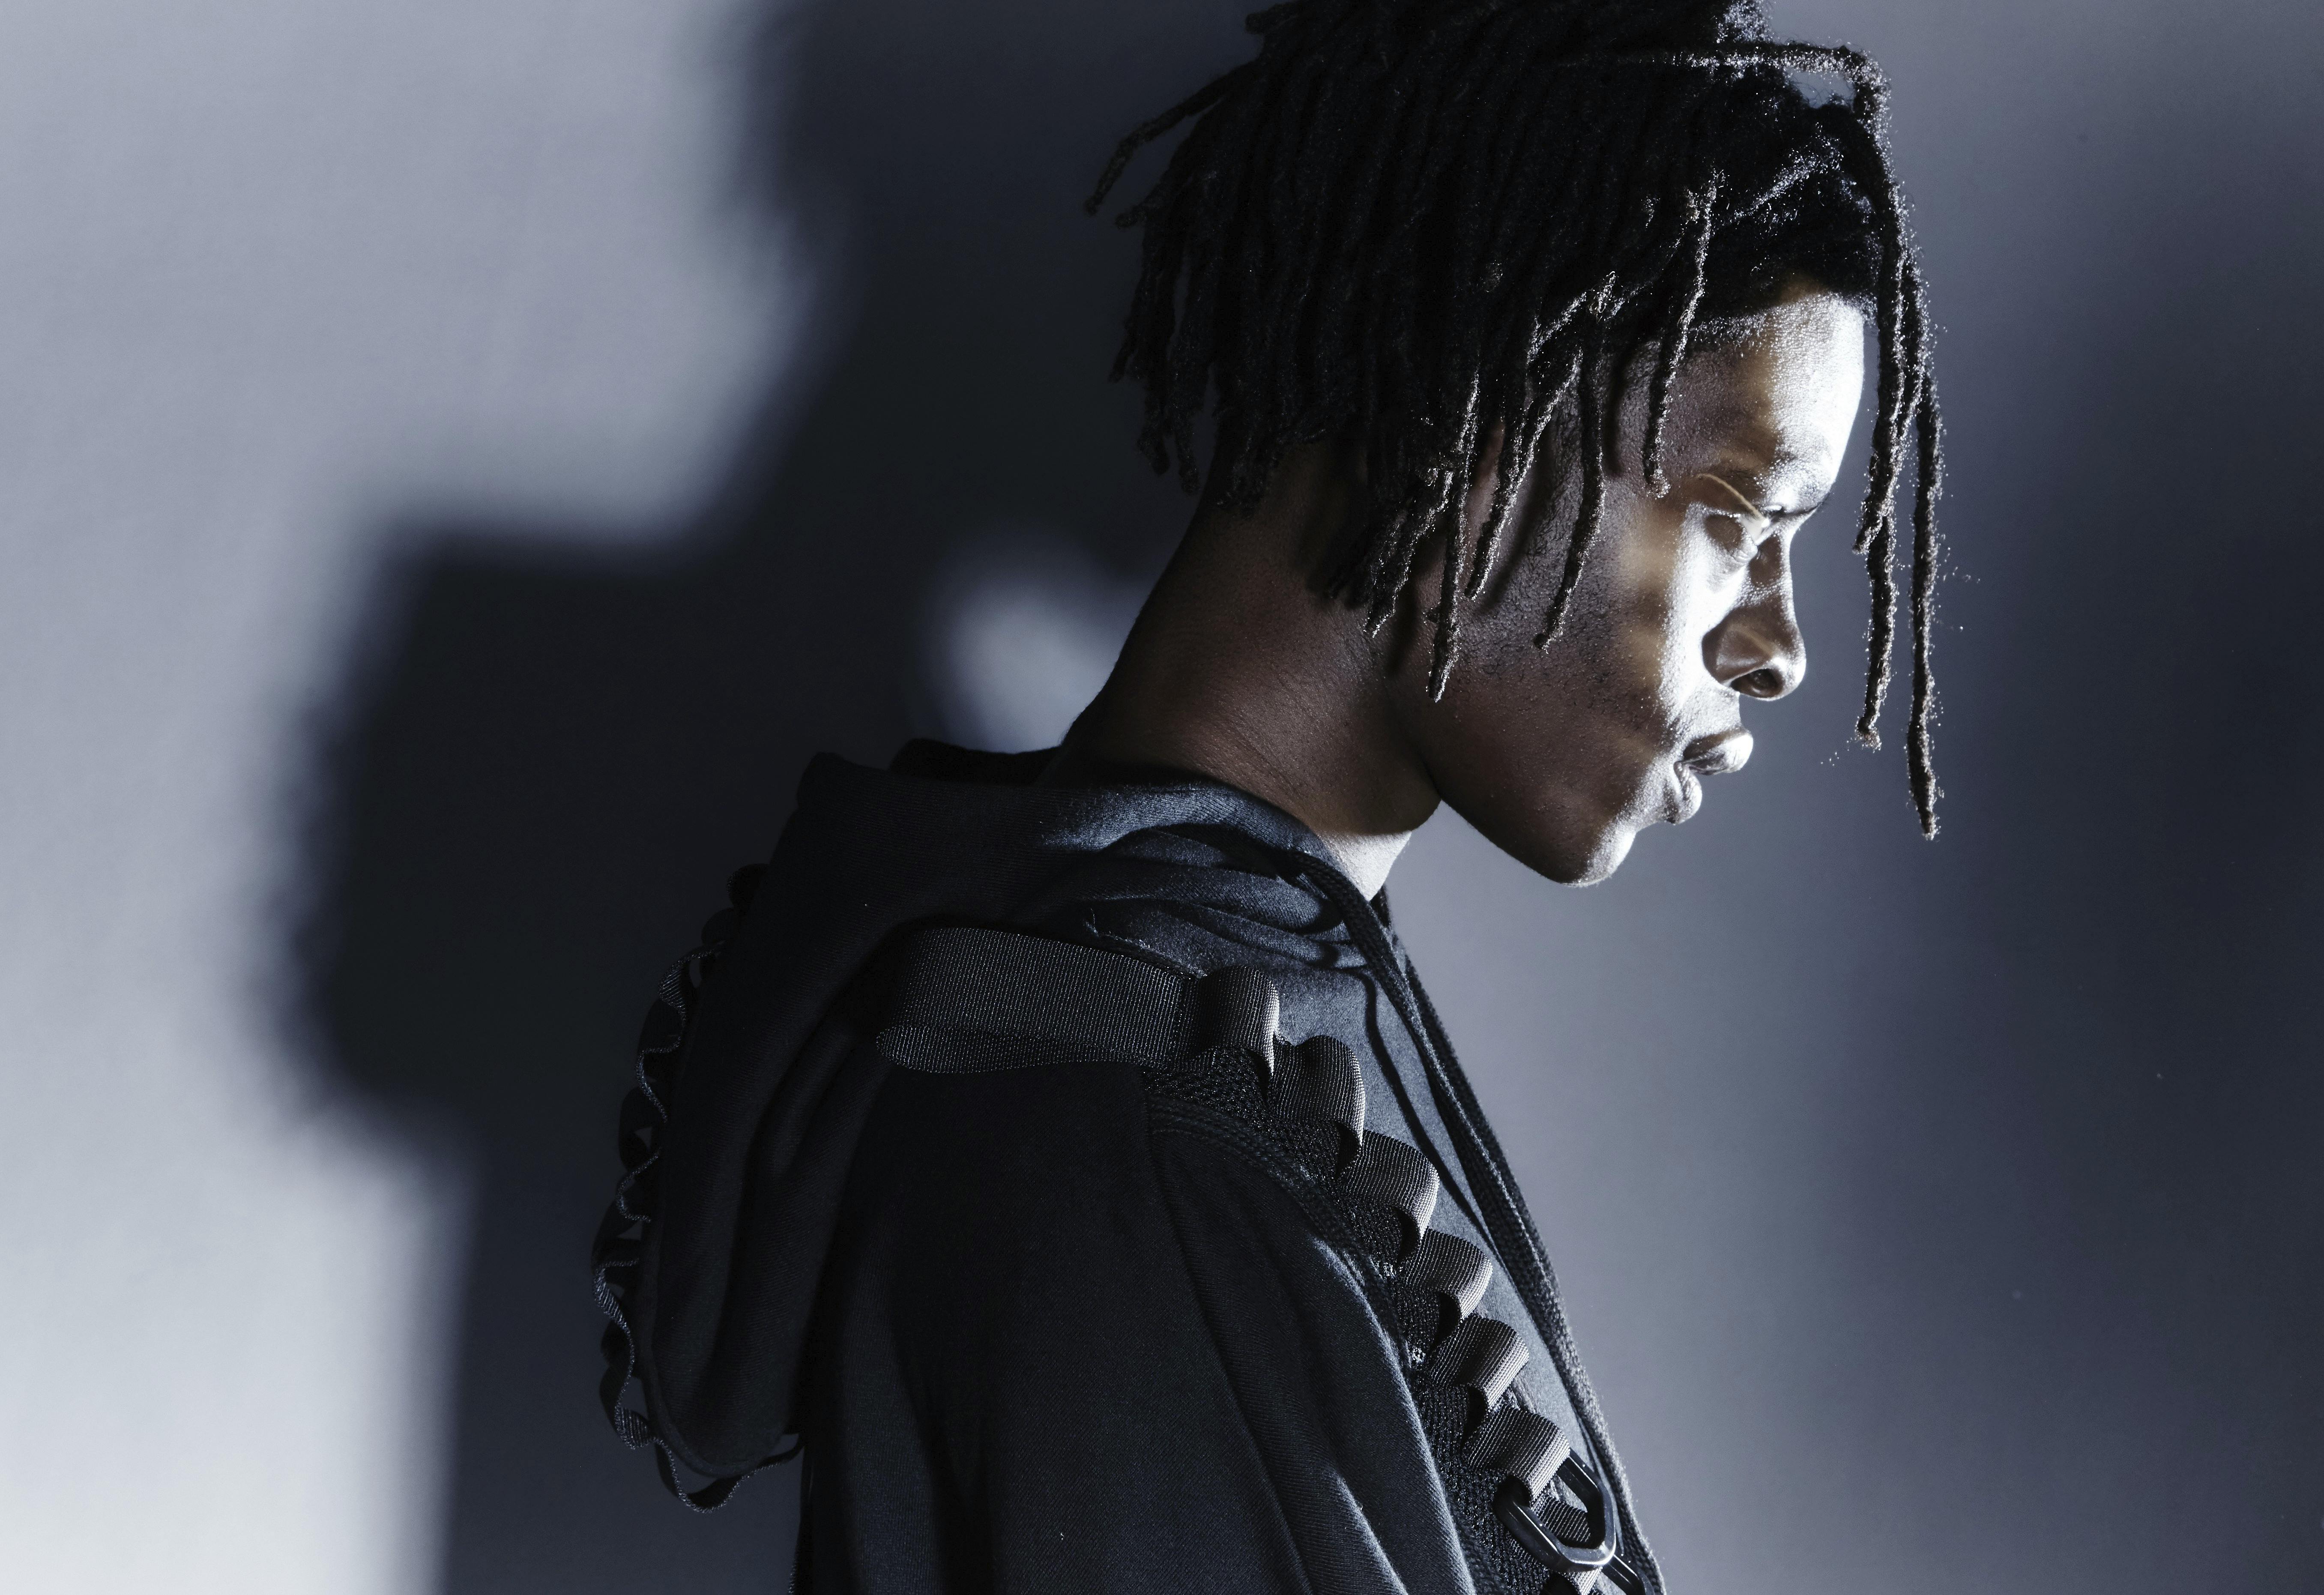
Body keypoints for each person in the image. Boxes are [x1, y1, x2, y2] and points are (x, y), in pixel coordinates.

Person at [593, 2, 1944, 1590]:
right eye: (1739, 512)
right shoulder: (1133, 1148)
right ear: (1464, 408)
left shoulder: (1211, 1010)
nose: (1780, 645)